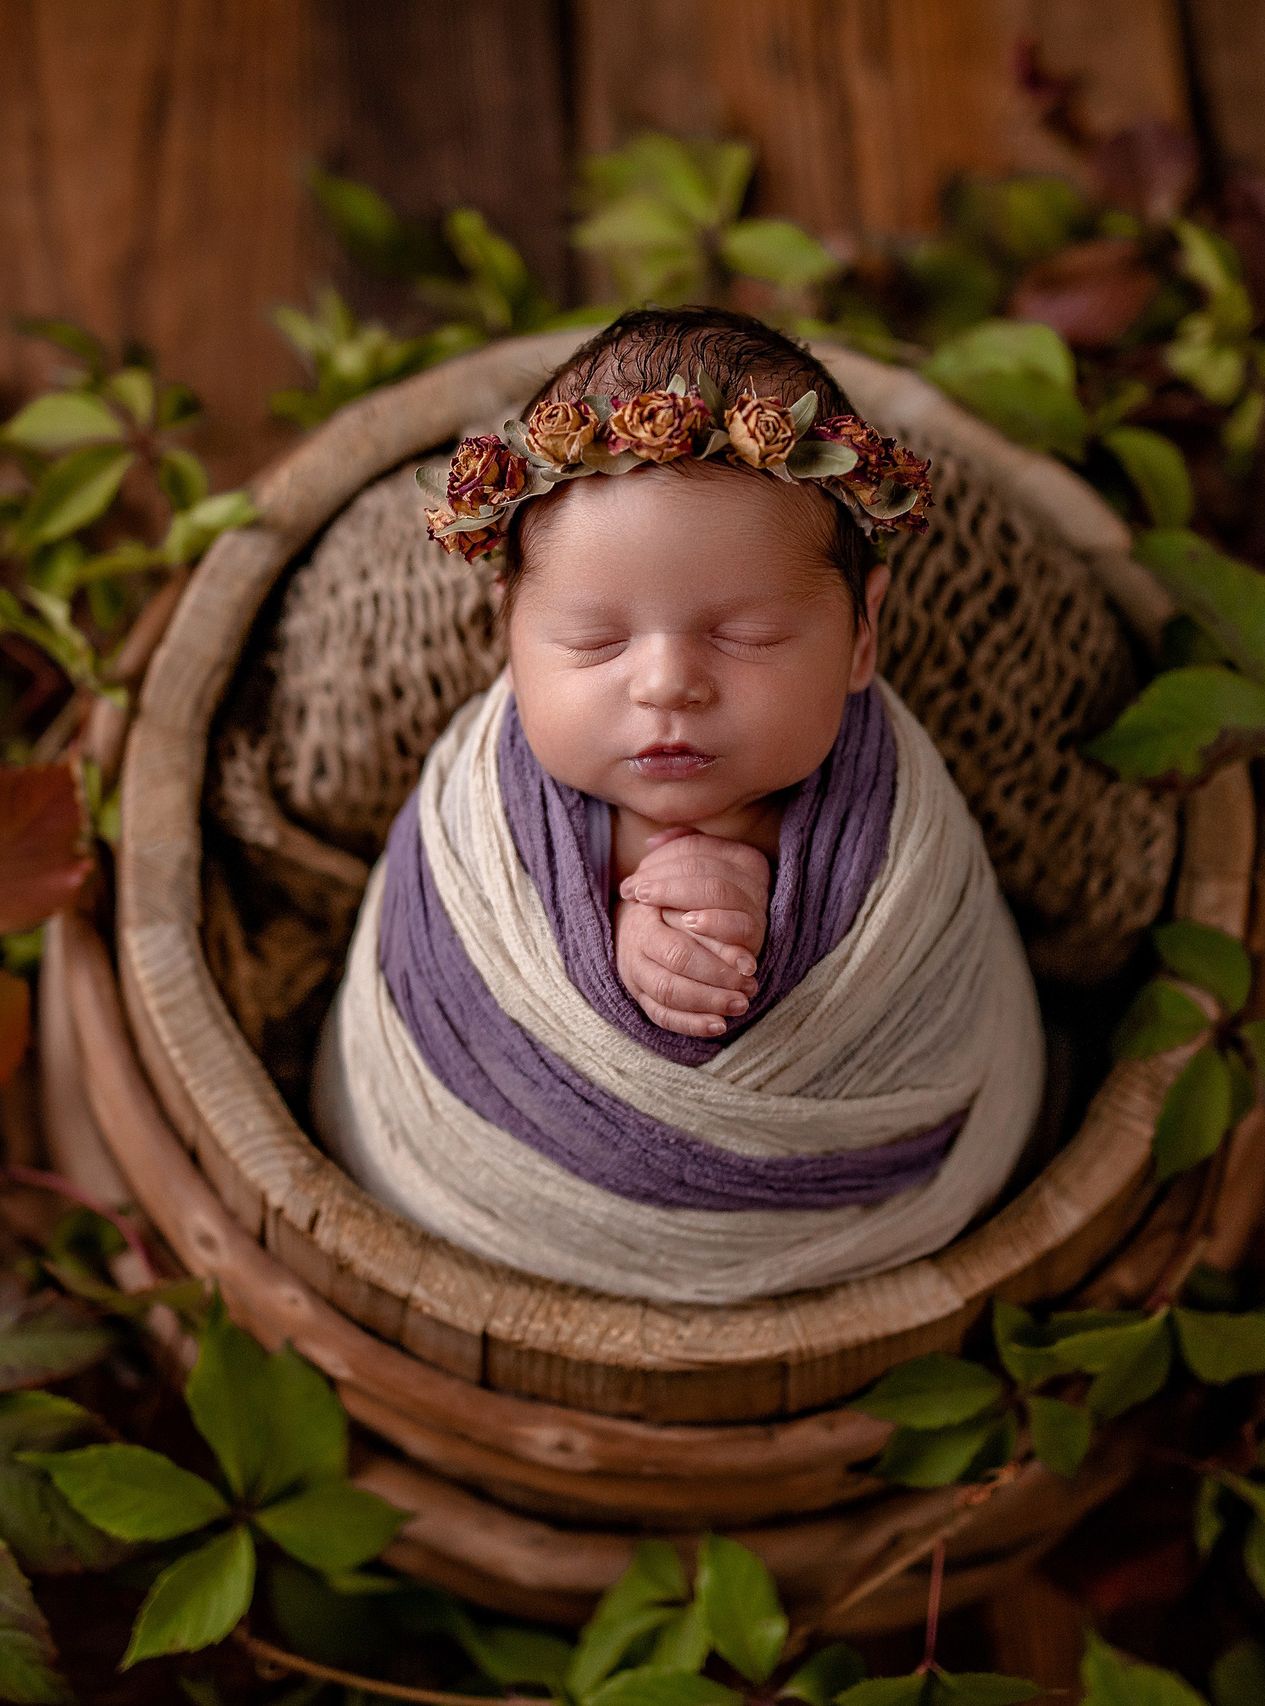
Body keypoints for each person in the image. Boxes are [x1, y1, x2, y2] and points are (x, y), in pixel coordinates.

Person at [311, 306, 1044, 1303]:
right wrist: (612, 917)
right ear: (508, 634)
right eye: (594, 640)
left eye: (743, 634)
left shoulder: (891, 820)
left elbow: (921, 984)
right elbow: (440, 938)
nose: (667, 684)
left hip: (848, 1223)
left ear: (863, 635)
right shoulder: (482, 808)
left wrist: (767, 907)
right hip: (481, 1188)